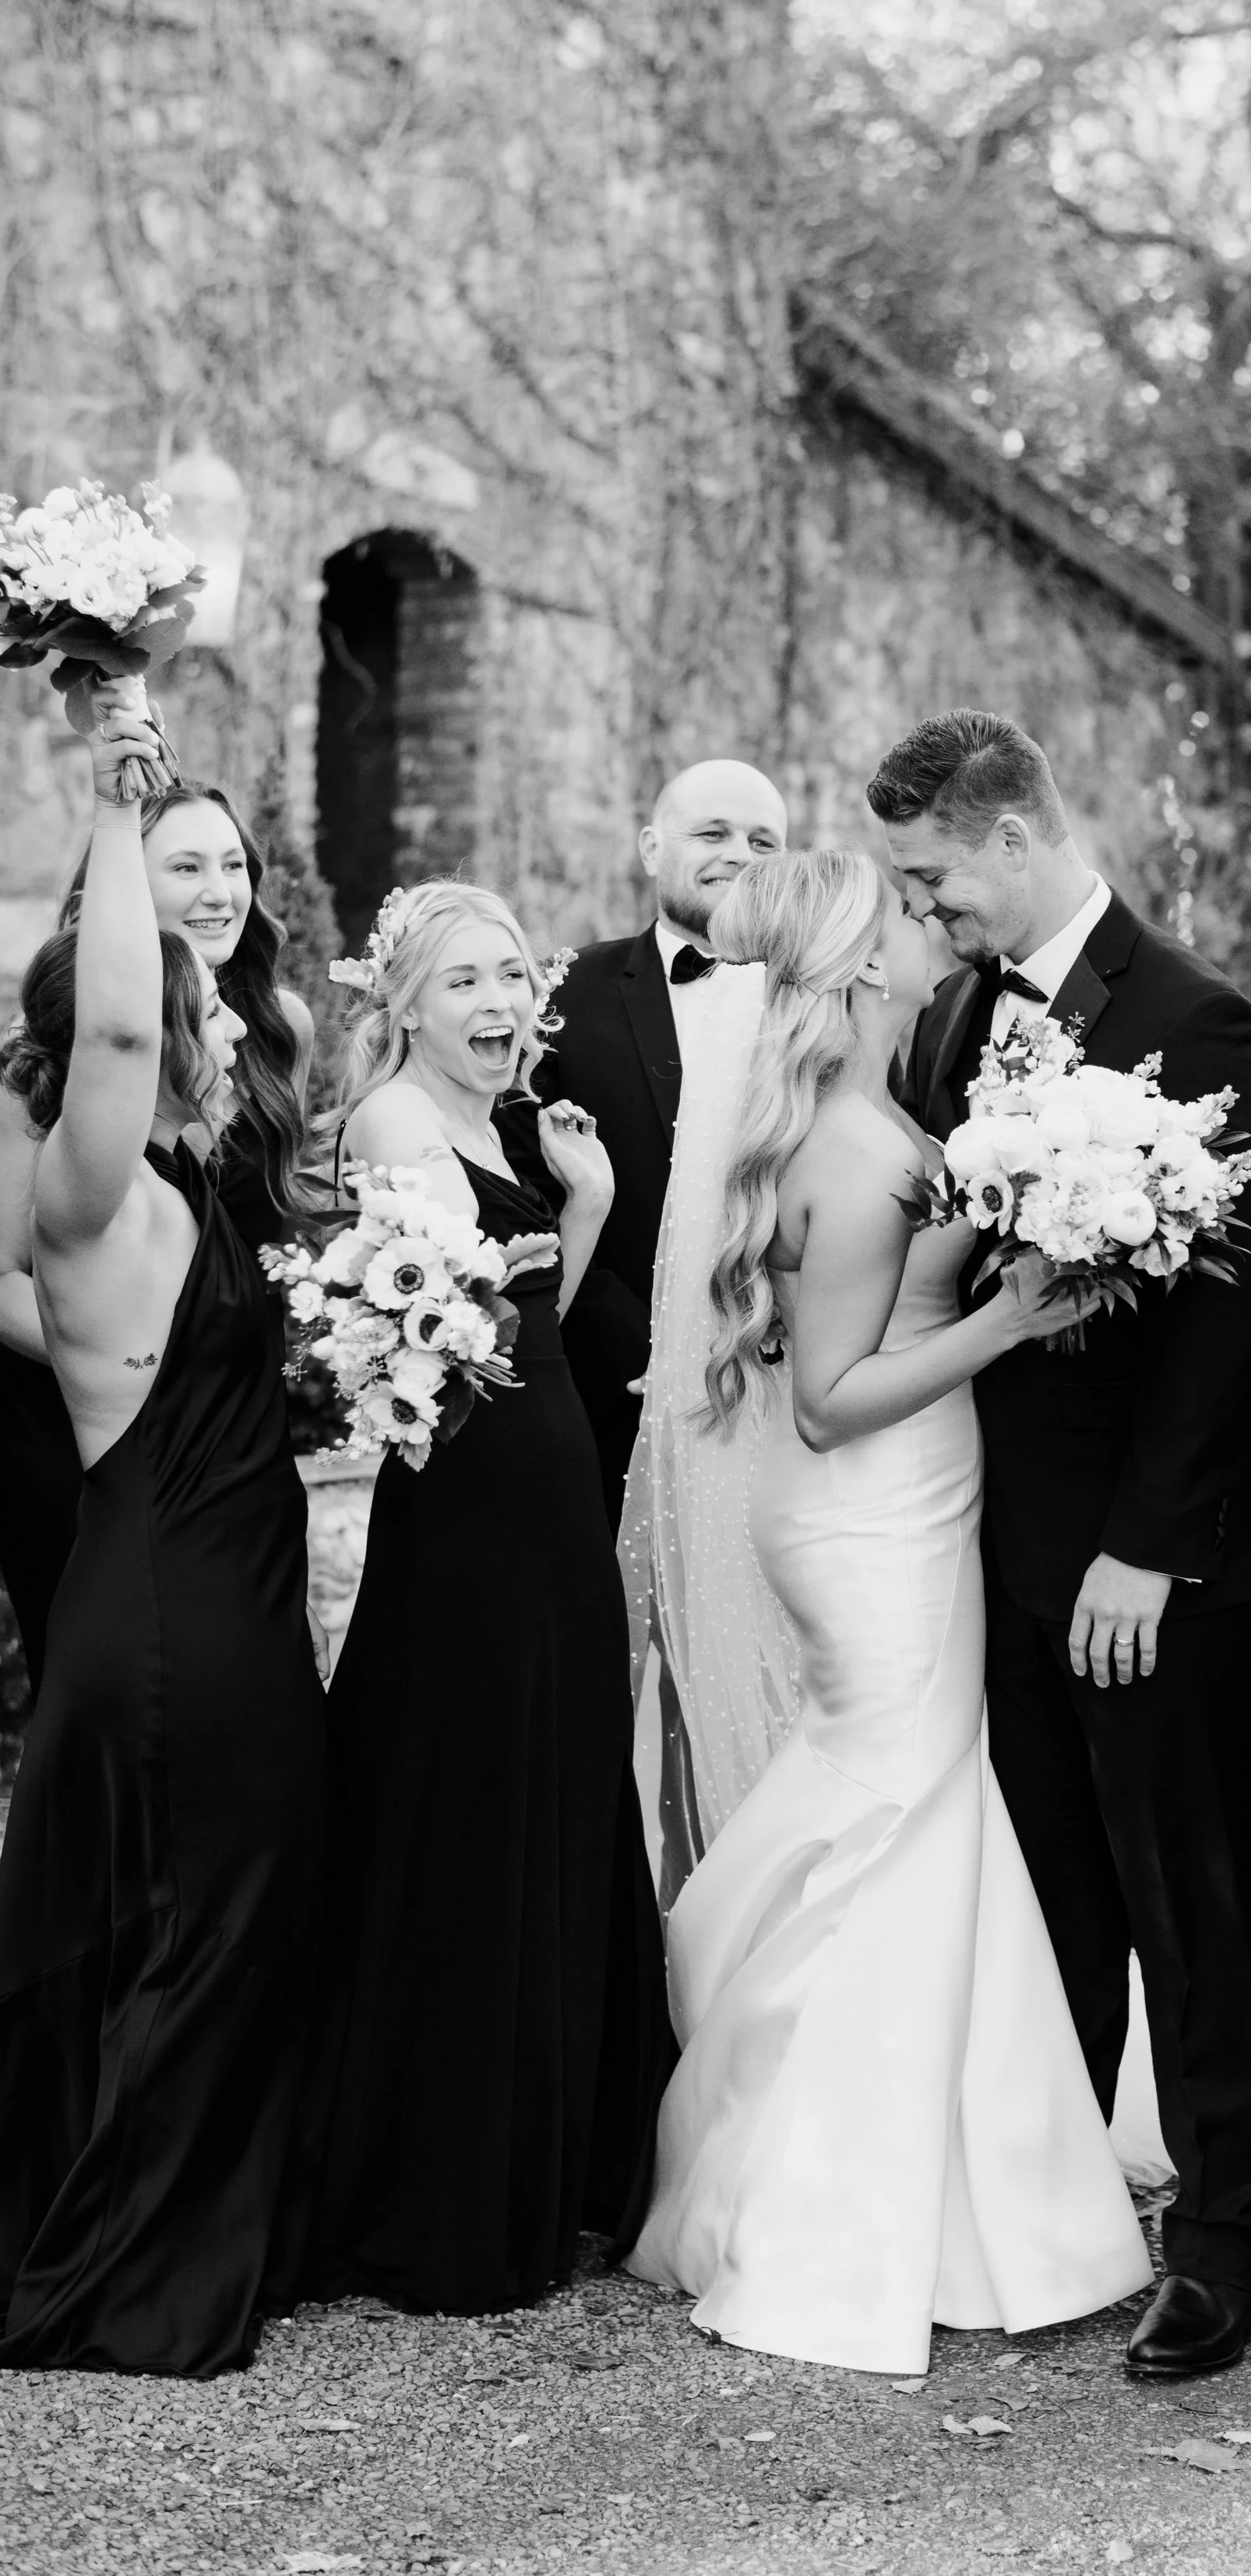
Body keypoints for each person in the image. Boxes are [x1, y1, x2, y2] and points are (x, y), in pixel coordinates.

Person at [626, 849, 1151, 2372]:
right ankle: (854, 2218)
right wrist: (1005, 1313)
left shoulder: (862, 1119)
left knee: (906, 1811)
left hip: (892, 1518)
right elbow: (828, 1402)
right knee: (905, 1820)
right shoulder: (854, 1155)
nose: (932, 935)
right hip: (873, 1516)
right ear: (859, 968)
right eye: (907, 921)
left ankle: (945, 2192)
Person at [879, 711, 1251, 2382]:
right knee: (1053, 1897)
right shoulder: (958, 1017)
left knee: (1182, 1893)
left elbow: (1219, 1331)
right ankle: (1061, 2222)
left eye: (931, 879)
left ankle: (1222, 2248)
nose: (923, 914)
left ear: (1013, 839)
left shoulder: (1196, 1020)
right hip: (998, 1542)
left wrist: (1143, 1550)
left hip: (1148, 1564)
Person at [0, 678, 329, 2373]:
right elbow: (120, 1033)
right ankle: (133, 2265)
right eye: (178, 1016)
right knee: (195, 1910)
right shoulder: (95, 1190)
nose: (204, 1031)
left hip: (229, 1590)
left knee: (231, 1909)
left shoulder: (200, 1198)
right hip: (165, 1617)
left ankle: (200, 2220)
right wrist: (117, 808)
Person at [295, 880, 673, 2315]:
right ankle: (449, 2181)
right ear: (404, 1003)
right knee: (471, 1799)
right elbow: (463, 1338)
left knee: (553, 1785)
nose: (501, 1002)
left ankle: (552, 2158)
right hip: (468, 1511)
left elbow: (534, 1332)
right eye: (464, 980)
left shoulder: (504, 1128)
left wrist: (588, 1204)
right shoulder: (396, 1118)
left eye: (514, 974)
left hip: (544, 1478)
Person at [0, 776, 314, 1692]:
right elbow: (6, 1278)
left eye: (232, 864)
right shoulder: (39, 1067)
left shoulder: (273, 1027)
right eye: (185, 866)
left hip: (234, 1417)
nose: (221, 890)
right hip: (84, 1420)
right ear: (117, 897)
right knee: (114, 1681)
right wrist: (137, 1374)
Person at [516, 760, 789, 1533]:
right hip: (611, 1386)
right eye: (712, 832)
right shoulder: (562, 997)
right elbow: (528, 1184)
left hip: (777, 1383)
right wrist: (647, 1345)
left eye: (762, 841)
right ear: (649, 847)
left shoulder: (819, 1005)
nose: (738, 854)